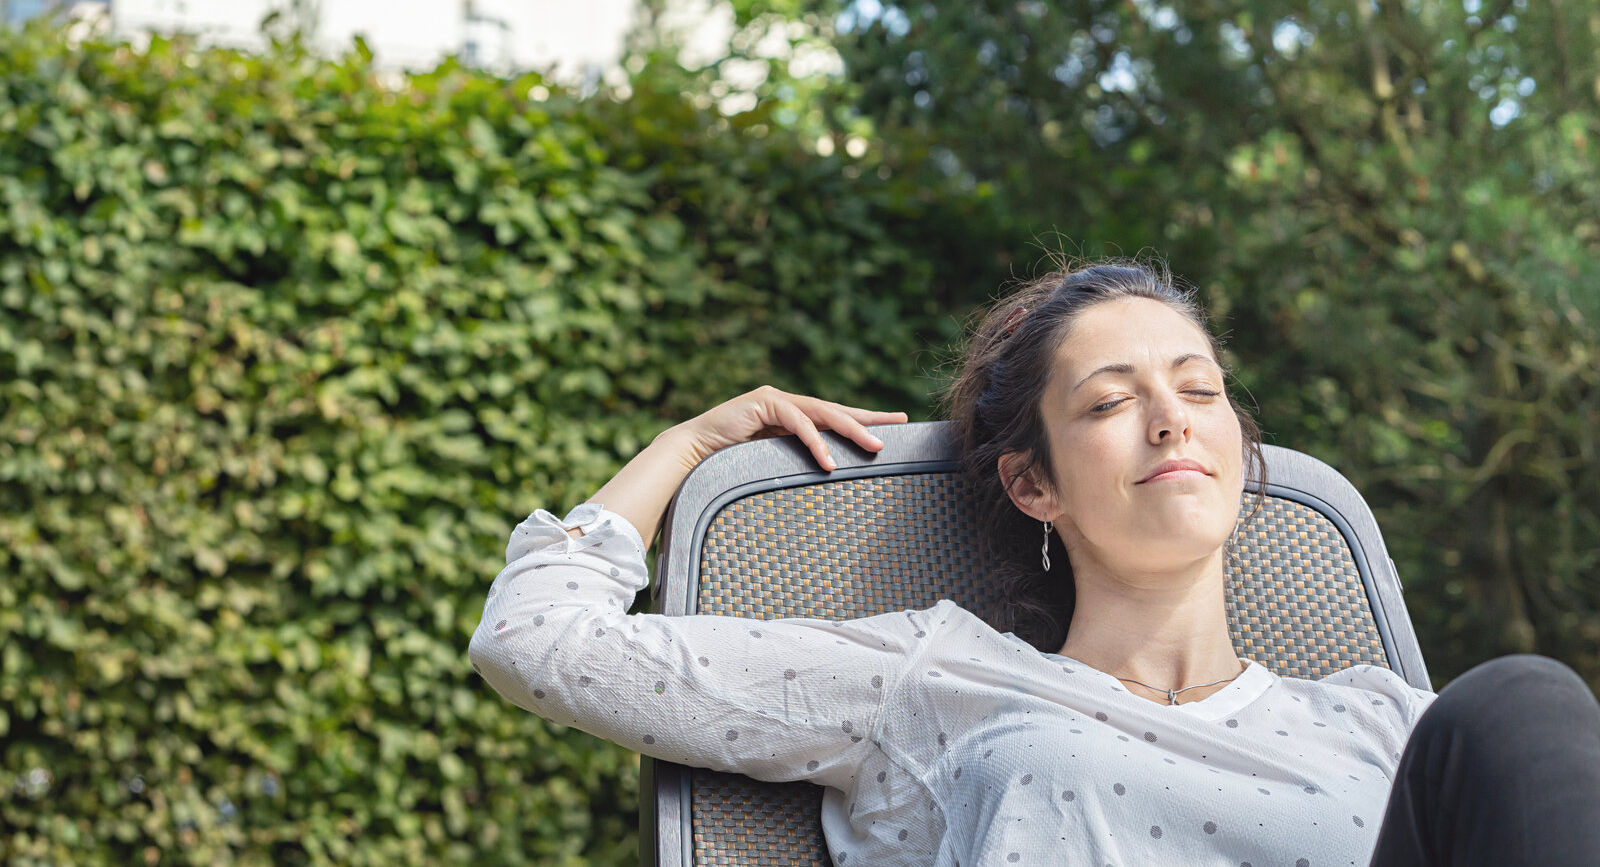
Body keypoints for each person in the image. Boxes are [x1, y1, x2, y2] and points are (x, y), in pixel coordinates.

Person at [469, 259, 1600, 866]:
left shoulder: (1381, 726)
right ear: (1033, 486)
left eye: (1198, 390)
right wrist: (693, 442)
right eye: (1111, 401)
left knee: (1521, 707)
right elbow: (539, 644)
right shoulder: (933, 684)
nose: (1171, 420)